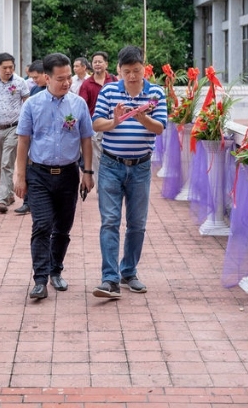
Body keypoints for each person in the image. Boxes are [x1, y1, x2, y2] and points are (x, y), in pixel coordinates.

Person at [14, 53, 94, 300]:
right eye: (61, 78)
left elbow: (86, 139)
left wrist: (87, 172)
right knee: (42, 225)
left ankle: (55, 270)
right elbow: (23, 141)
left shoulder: (78, 104)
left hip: (68, 174)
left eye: (68, 77)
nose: (66, 82)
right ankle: (40, 280)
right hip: (39, 174)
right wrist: (20, 176)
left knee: (62, 228)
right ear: (47, 78)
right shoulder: (32, 104)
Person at [91, 45, 166, 298]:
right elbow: (96, 123)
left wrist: (142, 117)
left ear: (144, 68)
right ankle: (109, 279)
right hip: (111, 165)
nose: (132, 76)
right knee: (110, 221)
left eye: (136, 70)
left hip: (141, 167)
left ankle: (129, 272)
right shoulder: (109, 91)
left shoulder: (155, 93)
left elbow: (160, 128)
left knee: (137, 224)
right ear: (119, 70)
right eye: (127, 71)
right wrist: (115, 121)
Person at [0, 52, 30, 213]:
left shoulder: (20, 82)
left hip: (14, 128)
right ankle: (8, 194)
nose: (8, 70)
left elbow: (27, 104)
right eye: (5, 68)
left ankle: (1, 199)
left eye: (11, 67)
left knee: (7, 163)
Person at [14, 59, 47, 215]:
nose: (34, 80)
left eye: (36, 77)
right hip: (32, 137)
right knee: (28, 168)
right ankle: (27, 202)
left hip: (46, 139)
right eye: (32, 78)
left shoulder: (53, 91)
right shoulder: (34, 90)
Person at [79, 51, 117, 185]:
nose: (97, 64)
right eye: (95, 62)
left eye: (100, 62)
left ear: (106, 64)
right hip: (95, 126)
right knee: (97, 160)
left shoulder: (114, 81)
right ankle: (101, 188)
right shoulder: (86, 84)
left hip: (113, 125)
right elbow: (82, 106)